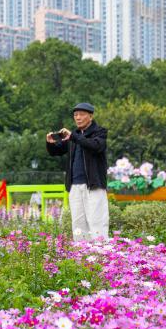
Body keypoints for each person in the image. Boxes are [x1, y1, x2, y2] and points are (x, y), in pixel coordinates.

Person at [45, 102, 109, 240]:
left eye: (81, 114)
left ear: (90, 116)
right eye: (75, 115)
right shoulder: (73, 136)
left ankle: (102, 253)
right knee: (78, 224)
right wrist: (50, 144)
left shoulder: (100, 132)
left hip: (93, 184)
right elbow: (57, 151)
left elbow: (96, 146)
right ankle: (81, 253)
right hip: (74, 185)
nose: (78, 118)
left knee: (97, 221)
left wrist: (74, 137)